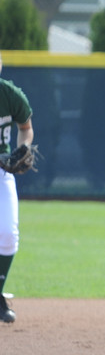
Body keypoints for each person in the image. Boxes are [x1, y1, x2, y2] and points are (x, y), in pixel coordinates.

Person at [0, 53, 36, 324]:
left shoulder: (10, 94)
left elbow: (26, 127)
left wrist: (22, 148)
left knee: (8, 235)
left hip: (1, 169)